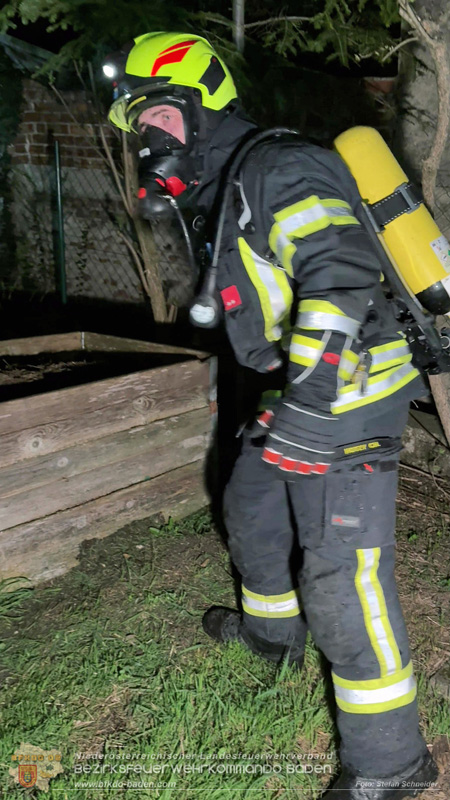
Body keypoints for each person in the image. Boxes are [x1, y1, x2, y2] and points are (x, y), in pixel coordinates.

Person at [104, 32, 438, 798]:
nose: (150, 139)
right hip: (301, 386)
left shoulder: (280, 166)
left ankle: (392, 764)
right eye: (140, 127)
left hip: (346, 394)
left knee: (343, 580)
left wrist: (313, 406)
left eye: (158, 117)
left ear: (200, 103)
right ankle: (273, 640)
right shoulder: (227, 181)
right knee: (251, 507)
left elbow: (342, 276)